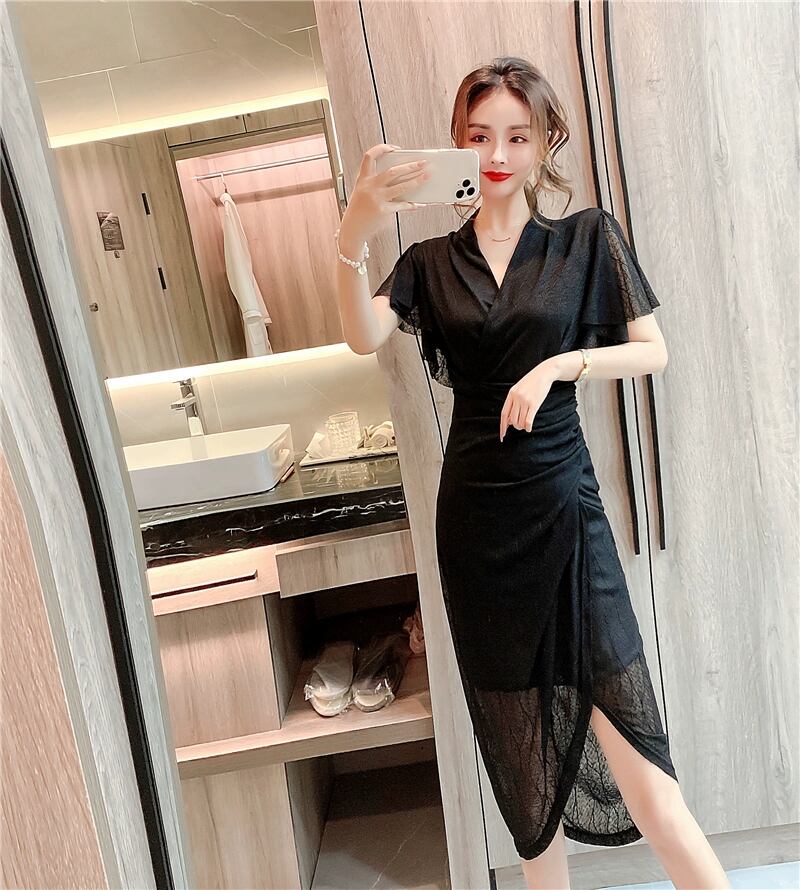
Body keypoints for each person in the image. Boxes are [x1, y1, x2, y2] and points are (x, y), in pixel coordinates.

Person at [334, 56, 729, 890]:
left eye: (518, 136)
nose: (498, 154)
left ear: (546, 141)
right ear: (458, 141)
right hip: (478, 535)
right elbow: (363, 336)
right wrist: (354, 233)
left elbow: (652, 351)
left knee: (655, 791)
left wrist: (560, 366)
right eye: (480, 136)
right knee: (528, 801)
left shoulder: (584, 238)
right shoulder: (428, 263)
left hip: (567, 521)